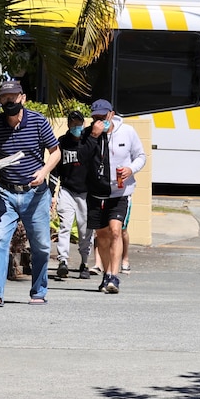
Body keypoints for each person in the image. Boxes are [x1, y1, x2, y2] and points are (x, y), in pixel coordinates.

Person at [0, 80, 61, 306]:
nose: (9, 101)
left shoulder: (38, 121)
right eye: (4, 98)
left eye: (13, 97)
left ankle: (38, 292)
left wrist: (43, 172)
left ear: (22, 98)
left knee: (42, 245)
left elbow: (55, 153)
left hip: (35, 194)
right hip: (6, 192)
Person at [79, 99, 146, 294]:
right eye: (96, 117)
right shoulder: (88, 134)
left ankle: (113, 277)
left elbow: (141, 156)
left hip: (120, 192)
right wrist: (93, 136)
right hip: (96, 193)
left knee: (116, 231)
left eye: (103, 116)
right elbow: (81, 158)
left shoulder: (127, 132)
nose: (100, 120)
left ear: (112, 114)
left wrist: (130, 169)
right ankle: (106, 274)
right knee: (102, 236)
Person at [53, 110, 94, 280]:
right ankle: (63, 261)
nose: (76, 126)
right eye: (73, 123)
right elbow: (55, 169)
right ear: (68, 125)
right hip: (67, 190)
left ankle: (84, 262)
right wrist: (51, 194)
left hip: (86, 192)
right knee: (65, 226)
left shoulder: (89, 141)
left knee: (85, 230)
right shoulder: (62, 142)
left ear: (83, 123)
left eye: (79, 123)